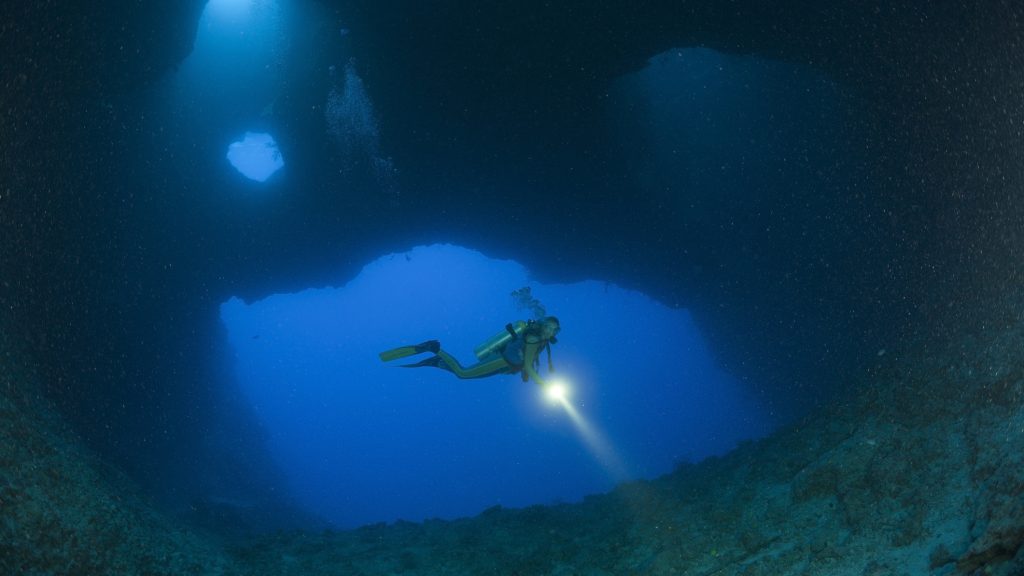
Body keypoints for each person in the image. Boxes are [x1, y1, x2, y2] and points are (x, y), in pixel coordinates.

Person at [379, 316, 560, 388]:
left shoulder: (542, 341)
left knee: (464, 374)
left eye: (555, 330)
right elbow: (528, 363)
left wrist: (526, 374)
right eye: (550, 327)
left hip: (504, 365)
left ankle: (439, 362)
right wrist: (543, 384)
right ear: (544, 325)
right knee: (463, 373)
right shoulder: (534, 339)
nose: (552, 332)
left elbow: (526, 363)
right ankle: (434, 349)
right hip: (500, 361)